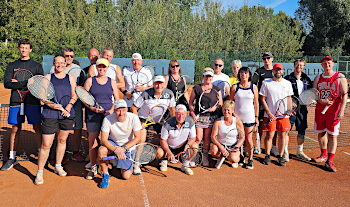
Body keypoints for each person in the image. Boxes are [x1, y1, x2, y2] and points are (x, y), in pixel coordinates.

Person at [34, 54, 77, 185]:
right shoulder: (48, 77)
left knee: (62, 140)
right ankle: (40, 172)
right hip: (49, 114)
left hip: (66, 114)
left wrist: (68, 107)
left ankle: (58, 165)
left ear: (65, 64)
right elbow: (42, 97)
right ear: (53, 64)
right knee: (46, 144)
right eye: (57, 63)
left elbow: (74, 96)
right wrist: (53, 105)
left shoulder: (71, 78)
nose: (59, 65)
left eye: (62, 63)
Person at [1, 39, 43, 171]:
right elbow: (7, 83)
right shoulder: (12, 65)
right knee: (15, 128)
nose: (24, 50)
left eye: (26, 47)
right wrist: (27, 82)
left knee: (37, 127)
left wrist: (17, 82)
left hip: (32, 101)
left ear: (30, 49)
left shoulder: (36, 66)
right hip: (16, 101)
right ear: (18, 48)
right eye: (22, 47)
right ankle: (12, 158)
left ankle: (42, 155)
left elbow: (38, 83)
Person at [83, 58, 120, 180]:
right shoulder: (90, 81)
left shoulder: (112, 81)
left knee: (108, 141)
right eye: (99, 67)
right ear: (96, 67)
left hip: (108, 117)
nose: (101, 69)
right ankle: (93, 167)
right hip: (92, 116)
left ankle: (106, 165)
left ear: (107, 68)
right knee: (93, 143)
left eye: (104, 67)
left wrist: (111, 111)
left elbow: (117, 99)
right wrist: (92, 108)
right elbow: (84, 99)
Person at [131, 75, 176, 174]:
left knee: (165, 137)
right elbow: (133, 108)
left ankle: (163, 160)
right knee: (141, 139)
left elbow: (172, 109)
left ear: (164, 84)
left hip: (159, 119)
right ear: (153, 84)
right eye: (157, 83)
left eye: (161, 83)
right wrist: (139, 123)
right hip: (144, 118)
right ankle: (136, 162)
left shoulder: (169, 93)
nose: (159, 85)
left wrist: (172, 122)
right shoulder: (146, 93)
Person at [312, 56, 347, 172]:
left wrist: (342, 110)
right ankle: (323, 155)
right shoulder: (318, 78)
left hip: (334, 111)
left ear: (333, 64)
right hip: (320, 111)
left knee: (332, 135)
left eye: (329, 63)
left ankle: (330, 160)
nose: (327, 65)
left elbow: (344, 95)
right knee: (321, 133)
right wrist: (321, 100)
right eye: (324, 63)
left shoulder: (340, 77)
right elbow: (314, 94)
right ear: (322, 66)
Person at [97, 100, 142, 188]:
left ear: (127, 109)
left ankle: (114, 160)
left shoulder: (134, 117)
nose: (121, 113)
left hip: (127, 146)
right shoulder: (108, 119)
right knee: (101, 151)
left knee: (126, 176)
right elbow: (104, 140)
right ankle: (105, 175)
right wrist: (116, 150)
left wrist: (124, 148)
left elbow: (137, 138)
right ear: (114, 111)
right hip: (113, 143)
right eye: (118, 110)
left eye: (123, 110)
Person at [50, 48, 85, 164]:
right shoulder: (54, 69)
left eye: (71, 56)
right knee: (59, 129)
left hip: (75, 103)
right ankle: (61, 154)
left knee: (77, 127)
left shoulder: (78, 69)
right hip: (59, 104)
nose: (69, 58)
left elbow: (81, 86)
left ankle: (75, 152)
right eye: (67, 56)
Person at [260, 63, 294, 167]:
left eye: (280, 70)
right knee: (269, 135)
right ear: (273, 71)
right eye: (276, 70)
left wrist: (289, 110)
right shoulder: (266, 83)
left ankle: (280, 156)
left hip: (283, 116)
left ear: (283, 71)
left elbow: (289, 98)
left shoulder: (287, 83)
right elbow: (262, 99)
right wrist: (269, 113)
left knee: (282, 135)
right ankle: (267, 155)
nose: (277, 71)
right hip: (270, 115)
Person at [189, 68, 223, 166]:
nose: (208, 78)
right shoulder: (197, 88)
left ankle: (205, 157)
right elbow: (191, 102)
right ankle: (193, 156)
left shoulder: (216, 89)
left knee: (207, 137)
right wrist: (192, 113)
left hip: (211, 118)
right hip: (199, 117)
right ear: (203, 76)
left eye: (210, 76)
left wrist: (215, 108)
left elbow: (220, 103)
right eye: (206, 76)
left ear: (212, 77)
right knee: (198, 138)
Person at [229, 67, 259, 169]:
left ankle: (250, 159)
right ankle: (241, 157)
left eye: (245, 73)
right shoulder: (234, 87)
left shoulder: (253, 87)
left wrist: (256, 117)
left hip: (250, 118)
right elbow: (230, 103)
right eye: (241, 73)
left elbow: (256, 103)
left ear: (249, 75)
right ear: (239, 75)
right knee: (239, 139)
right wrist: (233, 114)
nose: (243, 75)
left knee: (249, 139)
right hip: (238, 118)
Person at [157, 104, 198, 175]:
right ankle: (164, 161)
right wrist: (169, 152)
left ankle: (185, 164)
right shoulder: (167, 123)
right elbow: (163, 141)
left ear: (186, 114)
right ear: (175, 114)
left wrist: (188, 145)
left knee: (195, 146)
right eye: (178, 114)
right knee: (159, 152)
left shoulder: (190, 121)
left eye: (183, 114)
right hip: (169, 147)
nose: (181, 117)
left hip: (183, 146)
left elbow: (193, 137)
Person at [285, 59, 313, 161]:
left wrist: (310, 99)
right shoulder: (287, 78)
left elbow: (310, 92)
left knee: (302, 130)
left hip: (302, 109)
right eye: (297, 65)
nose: (299, 67)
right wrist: (290, 102)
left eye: (301, 65)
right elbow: (284, 93)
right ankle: (285, 151)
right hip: (290, 108)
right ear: (294, 66)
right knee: (286, 130)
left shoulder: (307, 79)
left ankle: (299, 151)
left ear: (304, 66)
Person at [252, 52, 279, 156]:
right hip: (261, 103)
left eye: (268, 58)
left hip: (274, 104)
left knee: (274, 126)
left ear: (272, 59)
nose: (266, 60)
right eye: (264, 58)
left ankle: (274, 146)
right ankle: (257, 146)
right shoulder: (259, 71)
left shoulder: (276, 71)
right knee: (260, 125)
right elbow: (254, 85)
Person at [210, 100, 245, 168]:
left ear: (232, 111)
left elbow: (242, 137)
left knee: (234, 159)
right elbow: (213, 137)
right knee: (213, 150)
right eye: (224, 110)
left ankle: (231, 157)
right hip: (221, 146)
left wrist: (236, 146)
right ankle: (220, 157)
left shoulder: (238, 122)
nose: (226, 112)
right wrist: (221, 148)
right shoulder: (218, 121)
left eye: (228, 110)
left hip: (233, 146)